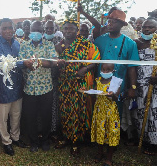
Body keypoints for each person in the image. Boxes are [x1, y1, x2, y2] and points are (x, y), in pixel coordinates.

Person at [55, 19, 100, 155]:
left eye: (72, 29)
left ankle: (77, 141)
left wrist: (85, 69)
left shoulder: (86, 44)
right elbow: (54, 64)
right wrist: (58, 65)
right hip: (64, 83)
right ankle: (67, 137)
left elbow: (96, 59)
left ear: (77, 31)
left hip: (80, 83)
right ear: (62, 30)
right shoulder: (58, 46)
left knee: (79, 111)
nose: (68, 31)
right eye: (66, 29)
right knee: (65, 110)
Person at [93, 10, 139, 141]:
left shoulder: (130, 43)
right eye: (109, 21)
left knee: (114, 115)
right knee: (99, 114)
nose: (110, 23)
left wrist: (133, 87)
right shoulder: (99, 41)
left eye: (114, 21)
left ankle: (112, 143)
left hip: (118, 86)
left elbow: (131, 68)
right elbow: (93, 62)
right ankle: (99, 142)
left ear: (122, 24)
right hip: (99, 84)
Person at [0, 18, 30, 156]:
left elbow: (24, 57)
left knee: (16, 114)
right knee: (3, 117)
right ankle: (6, 142)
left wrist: (28, 62)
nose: (8, 31)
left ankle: (16, 137)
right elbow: (4, 64)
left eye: (9, 28)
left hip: (18, 85)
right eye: (4, 28)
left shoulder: (17, 43)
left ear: (14, 29)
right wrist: (24, 63)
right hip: (4, 87)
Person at [19, 21, 60, 152]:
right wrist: (27, 64)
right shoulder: (24, 45)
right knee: (30, 117)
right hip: (29, 88)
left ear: (43, 32)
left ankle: (45, 140)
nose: (36, 33)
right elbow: (21, 61)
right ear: (30, 31)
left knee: (46, 116)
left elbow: (54, 62)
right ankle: (34, 142)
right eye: (33, 30)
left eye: (38, 31)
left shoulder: (49, 44)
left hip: (45, 87)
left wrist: (40, 62)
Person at [91, 63, 122, 166]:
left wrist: (113, 95)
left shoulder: (116, 82)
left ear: (113, 70)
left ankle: (109, 157)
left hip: (110, 112)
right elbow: (94, 93)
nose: (104, 72)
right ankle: (100, 152)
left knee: (111, 133)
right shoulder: (98, 81)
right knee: (100, 131)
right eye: (103, 69)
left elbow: (116, 97)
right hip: (99, 111)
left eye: (108, 70)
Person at [134, 19, 157, 155]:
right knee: (141, 113)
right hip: (141, 85)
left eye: (151, 27)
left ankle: (154, 144)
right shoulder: (137, 43)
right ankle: (142, 139)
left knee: (154, 115)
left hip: (155, 85)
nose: (147, 30)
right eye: (144, 27)